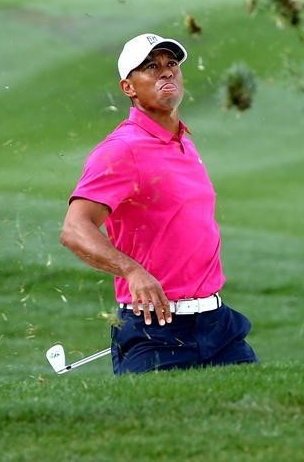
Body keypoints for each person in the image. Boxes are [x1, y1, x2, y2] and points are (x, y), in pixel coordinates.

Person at [60, 33, 258, 374]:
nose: (166, 72)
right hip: (155, 330)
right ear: (129, 88)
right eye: (151, 67)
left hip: (217, 325)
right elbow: (75, 229)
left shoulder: (184, 142)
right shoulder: (122, 149)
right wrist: (131, 271)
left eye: (172, 65)